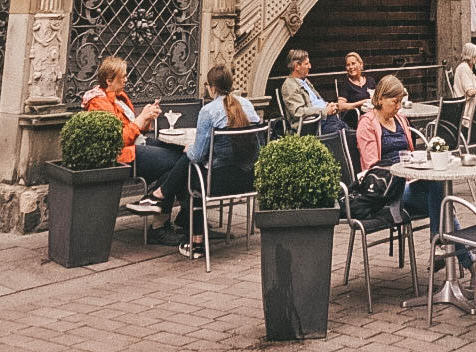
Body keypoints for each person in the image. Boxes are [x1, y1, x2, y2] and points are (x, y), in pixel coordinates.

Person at [128, 64, 261, 259]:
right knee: (191, 165)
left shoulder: (208, 111)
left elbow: (198, 155)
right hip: (247, 180)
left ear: (211, 87)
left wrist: (191, 149)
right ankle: (161, 200)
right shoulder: (248, 106)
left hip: (216, 183)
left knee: (190, 167)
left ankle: (192, 237)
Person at [357, 74, 472, 271]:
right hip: (387, 191)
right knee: (444, 204)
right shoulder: (367, 124)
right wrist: (403, 171)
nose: (399, 107)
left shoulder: (400, 119)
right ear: (380, 98)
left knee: (440, 194)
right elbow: (372, 166)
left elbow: (409, 153)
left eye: (400, 101)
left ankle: (441, 248)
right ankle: (468, 263)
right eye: (395, 102)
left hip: (409, 183)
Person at [84, 55, 182, 242]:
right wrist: (140, 119)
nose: (127, 79)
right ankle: (159, 224)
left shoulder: (121, 97)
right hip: (124, 154)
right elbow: (118, 139)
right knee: (178, 161)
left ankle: (157, 200)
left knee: (181, 153)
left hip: (138, 144)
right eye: (123, 76)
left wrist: (147, 117)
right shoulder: (98, 103)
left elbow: (136, 129)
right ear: (109, 80)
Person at [280, 48, 349, 136]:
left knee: (350, 131)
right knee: (342, 134)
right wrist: (324, 111)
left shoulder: (305, 81)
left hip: (325, 120)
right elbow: (298, 111)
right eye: (307, 63)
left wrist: (328, 105)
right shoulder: (289, 85)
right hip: (313, 125)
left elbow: (316, 101)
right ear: (297, 66)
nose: (310, 66)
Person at [337, 51, 373, 126]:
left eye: (353, 63)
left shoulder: (370, 80)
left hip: (373, 116)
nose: (351, 67)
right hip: (356, 119)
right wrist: (362, 102)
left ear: (361, 64)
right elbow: (341, 106)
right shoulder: (346, 84)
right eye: (348, 65)